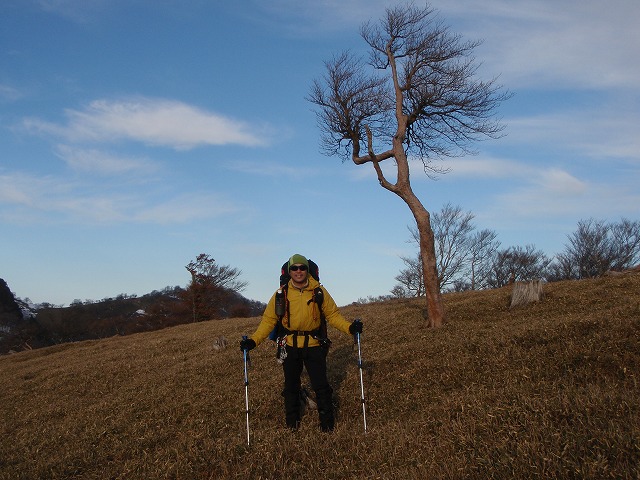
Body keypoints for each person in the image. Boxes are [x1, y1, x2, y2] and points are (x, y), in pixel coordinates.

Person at [240, 253, 362, 432]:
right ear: (289, 271)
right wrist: (253, 341)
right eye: (294, 268)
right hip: (289, 345)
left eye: (302, 267)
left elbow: (333, 315)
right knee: (291, 386)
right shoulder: (281, 294)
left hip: (314, 345)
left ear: (308, 270)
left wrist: (350, 328)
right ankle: (292, 425)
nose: (298, 271)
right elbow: (268, 321)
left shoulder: (319, 291)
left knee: (321, 385)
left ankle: (327, 426)